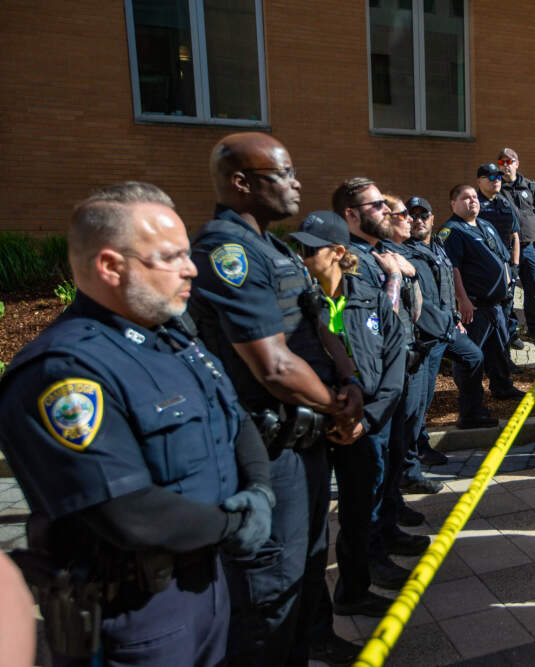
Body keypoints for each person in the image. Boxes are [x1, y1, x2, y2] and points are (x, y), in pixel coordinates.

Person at [0, 182, 274, 666]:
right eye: (171, 257)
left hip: (206, 584)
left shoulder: (170, 339)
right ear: (110, 266)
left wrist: (261, 490)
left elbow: (235, 419)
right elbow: (126, 512)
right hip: (138, 614)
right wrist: (236, 523)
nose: (192, 269)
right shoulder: (64, 371)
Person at [188, 133, 363, 666]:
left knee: (308, 562)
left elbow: (320, 326)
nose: (297, 184)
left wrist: (350, 385)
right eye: (283, 174)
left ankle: (312, 643)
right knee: (269, 588)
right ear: (241, 183)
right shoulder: (227, 250)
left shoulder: (276, 247)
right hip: (268, 449)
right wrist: (336, 405)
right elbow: (274, 366)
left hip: (309, 440)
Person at [286, 210, 406, 620]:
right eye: (297, 248)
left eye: (309, 249)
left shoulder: (370, 297)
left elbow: (394, 366)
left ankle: (354, 591)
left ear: (338, 252)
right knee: (311, 527)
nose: (301, 257)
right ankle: (312, 621)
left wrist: (366, 421)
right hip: (314, 428)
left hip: (362, 429)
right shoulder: (294, 306)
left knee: (358, 514)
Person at [331, 179, 431, 590]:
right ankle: (368, 561)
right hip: (370, 384)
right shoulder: (350, 259)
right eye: (376, 206)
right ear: (351, 216)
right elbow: (370, 324)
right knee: (367, 480)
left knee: (389, 464)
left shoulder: (378, 252)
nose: (388, 211)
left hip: (395, 372)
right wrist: (393, 278)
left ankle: (387, 533)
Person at [407, 196, 499, 431]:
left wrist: (455, 317)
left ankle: (471, 414)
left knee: (473, 357)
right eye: (413, 216)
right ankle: (418, 442)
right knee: (424, 391)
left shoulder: (437, 244)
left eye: (423, 215)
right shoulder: (405, 252)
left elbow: (446, 284)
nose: (418, 220)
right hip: (426, 332)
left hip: (447, 324)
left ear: (432, 218)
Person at [380, 194, 443, 495]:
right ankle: (400, 480)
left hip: (421, 344)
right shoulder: (385, 255)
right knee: (403, 420)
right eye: (403, 214)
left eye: (413, 214)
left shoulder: (408, 252)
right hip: (401, 352)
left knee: (415, 414)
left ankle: (407, 473)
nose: (409, 219)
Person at [440, 184, 525, 401]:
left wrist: (506, 280)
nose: (473, 201)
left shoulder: (486, 225)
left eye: (474, 197)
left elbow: (502, 256)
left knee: (499, 350)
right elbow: (452, 269)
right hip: (474, 306)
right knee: (471, 356)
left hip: (496, 304)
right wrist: (462, 300)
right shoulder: (452, 231)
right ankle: (471, 401)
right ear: (453, 204)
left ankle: (502, 387)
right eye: (465, 198)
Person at [499, 147, 535, 347]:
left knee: (534, 290)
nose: (506, 165)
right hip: (509, 248)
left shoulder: (529, 185)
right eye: (502, 162)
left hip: (530, 247)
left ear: (517, 164)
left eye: (509, 162)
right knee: (509, 292)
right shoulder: (497, 188)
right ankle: (511, 334)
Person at [476, 163, 522, 350]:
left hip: (505, 269)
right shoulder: (474, 205)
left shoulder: (504, 203)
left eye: (499, 177)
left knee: (505, 310)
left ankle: (503, 352)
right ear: (479, 181)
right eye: (492, 177)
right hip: (483, 271)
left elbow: (515, 235)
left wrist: (515, 265)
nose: (497, 181)